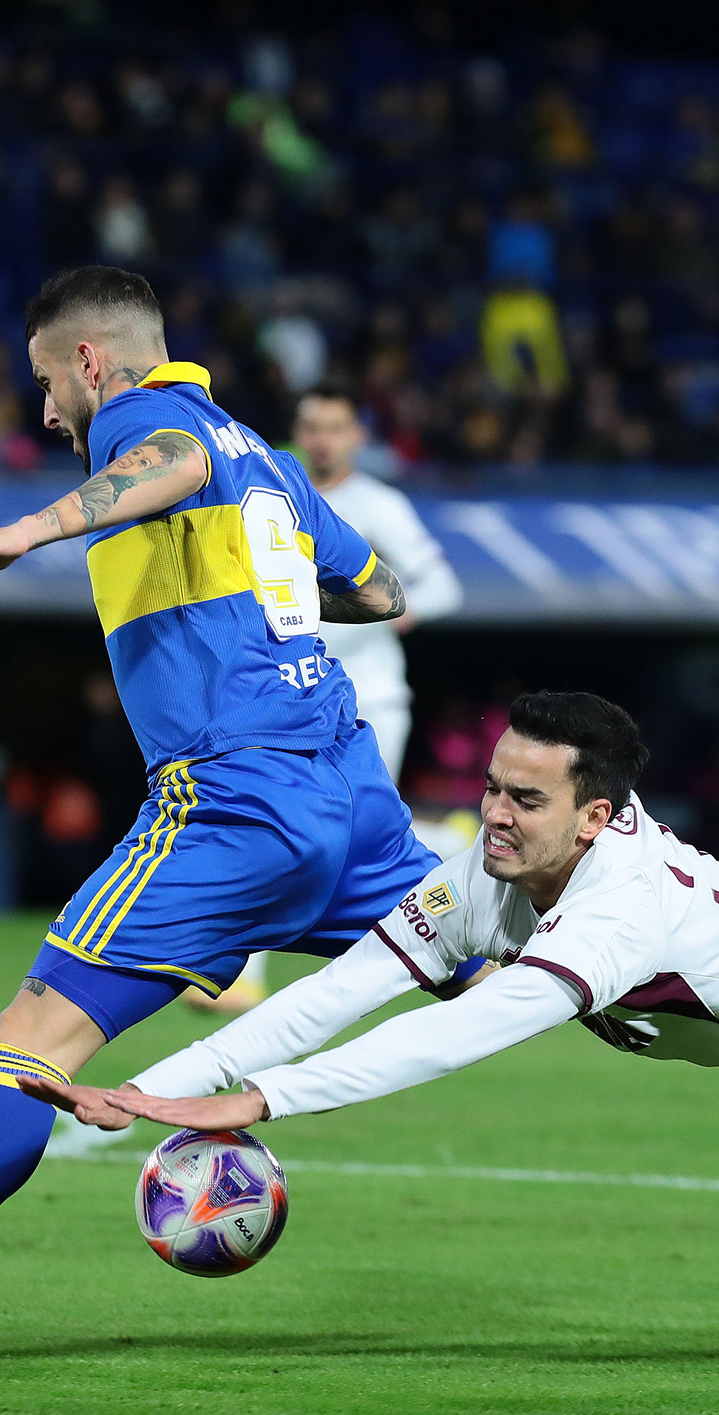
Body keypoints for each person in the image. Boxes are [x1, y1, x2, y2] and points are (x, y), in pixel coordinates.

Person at [0, 264, 445, 1371]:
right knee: (520, 967)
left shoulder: (150, 418)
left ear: (90, 361)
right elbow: (385, 591)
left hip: (235, 797)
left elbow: (166, 462)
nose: (48, 411)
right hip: (350, 792)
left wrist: (33, 528)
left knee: (31, 1039)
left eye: (47, 386)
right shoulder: (268, 455)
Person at [35, 691, 719, 1380]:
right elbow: (345, 988)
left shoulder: (621, 906)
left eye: (526, 797)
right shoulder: (490, 872)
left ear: (597, 815)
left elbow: (457, 1033)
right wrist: (157, 1083)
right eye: (492, 788)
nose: (496, 815)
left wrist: (265, 1101)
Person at [197, 387, 467, 1014]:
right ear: (297, 431)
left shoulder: (380, 505)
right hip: (290, 689)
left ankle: (450, 857)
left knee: (361, 828)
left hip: (371, 695)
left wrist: (405, 611)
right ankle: (243, 976)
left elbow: (442, 583)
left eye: (335, 427)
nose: (322, 439)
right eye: (311, 426)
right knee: (281, 816)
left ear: (356, 437)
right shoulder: (267, 490)